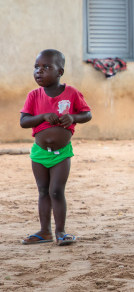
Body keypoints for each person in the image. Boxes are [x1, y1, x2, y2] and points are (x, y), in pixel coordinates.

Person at [20, 49, 92, 246]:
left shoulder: (72, 93)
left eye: (46, 67)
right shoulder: (34, 95)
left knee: (56, 191)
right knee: (43, 191)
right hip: (39, 153)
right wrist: (42, 117)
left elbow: (87, 114)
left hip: (61, 154)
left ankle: (61, 231)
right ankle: (45, 232)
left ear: (60, 72)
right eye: (36, 67)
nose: (39, 71)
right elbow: (24, 121)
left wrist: (74, 117)